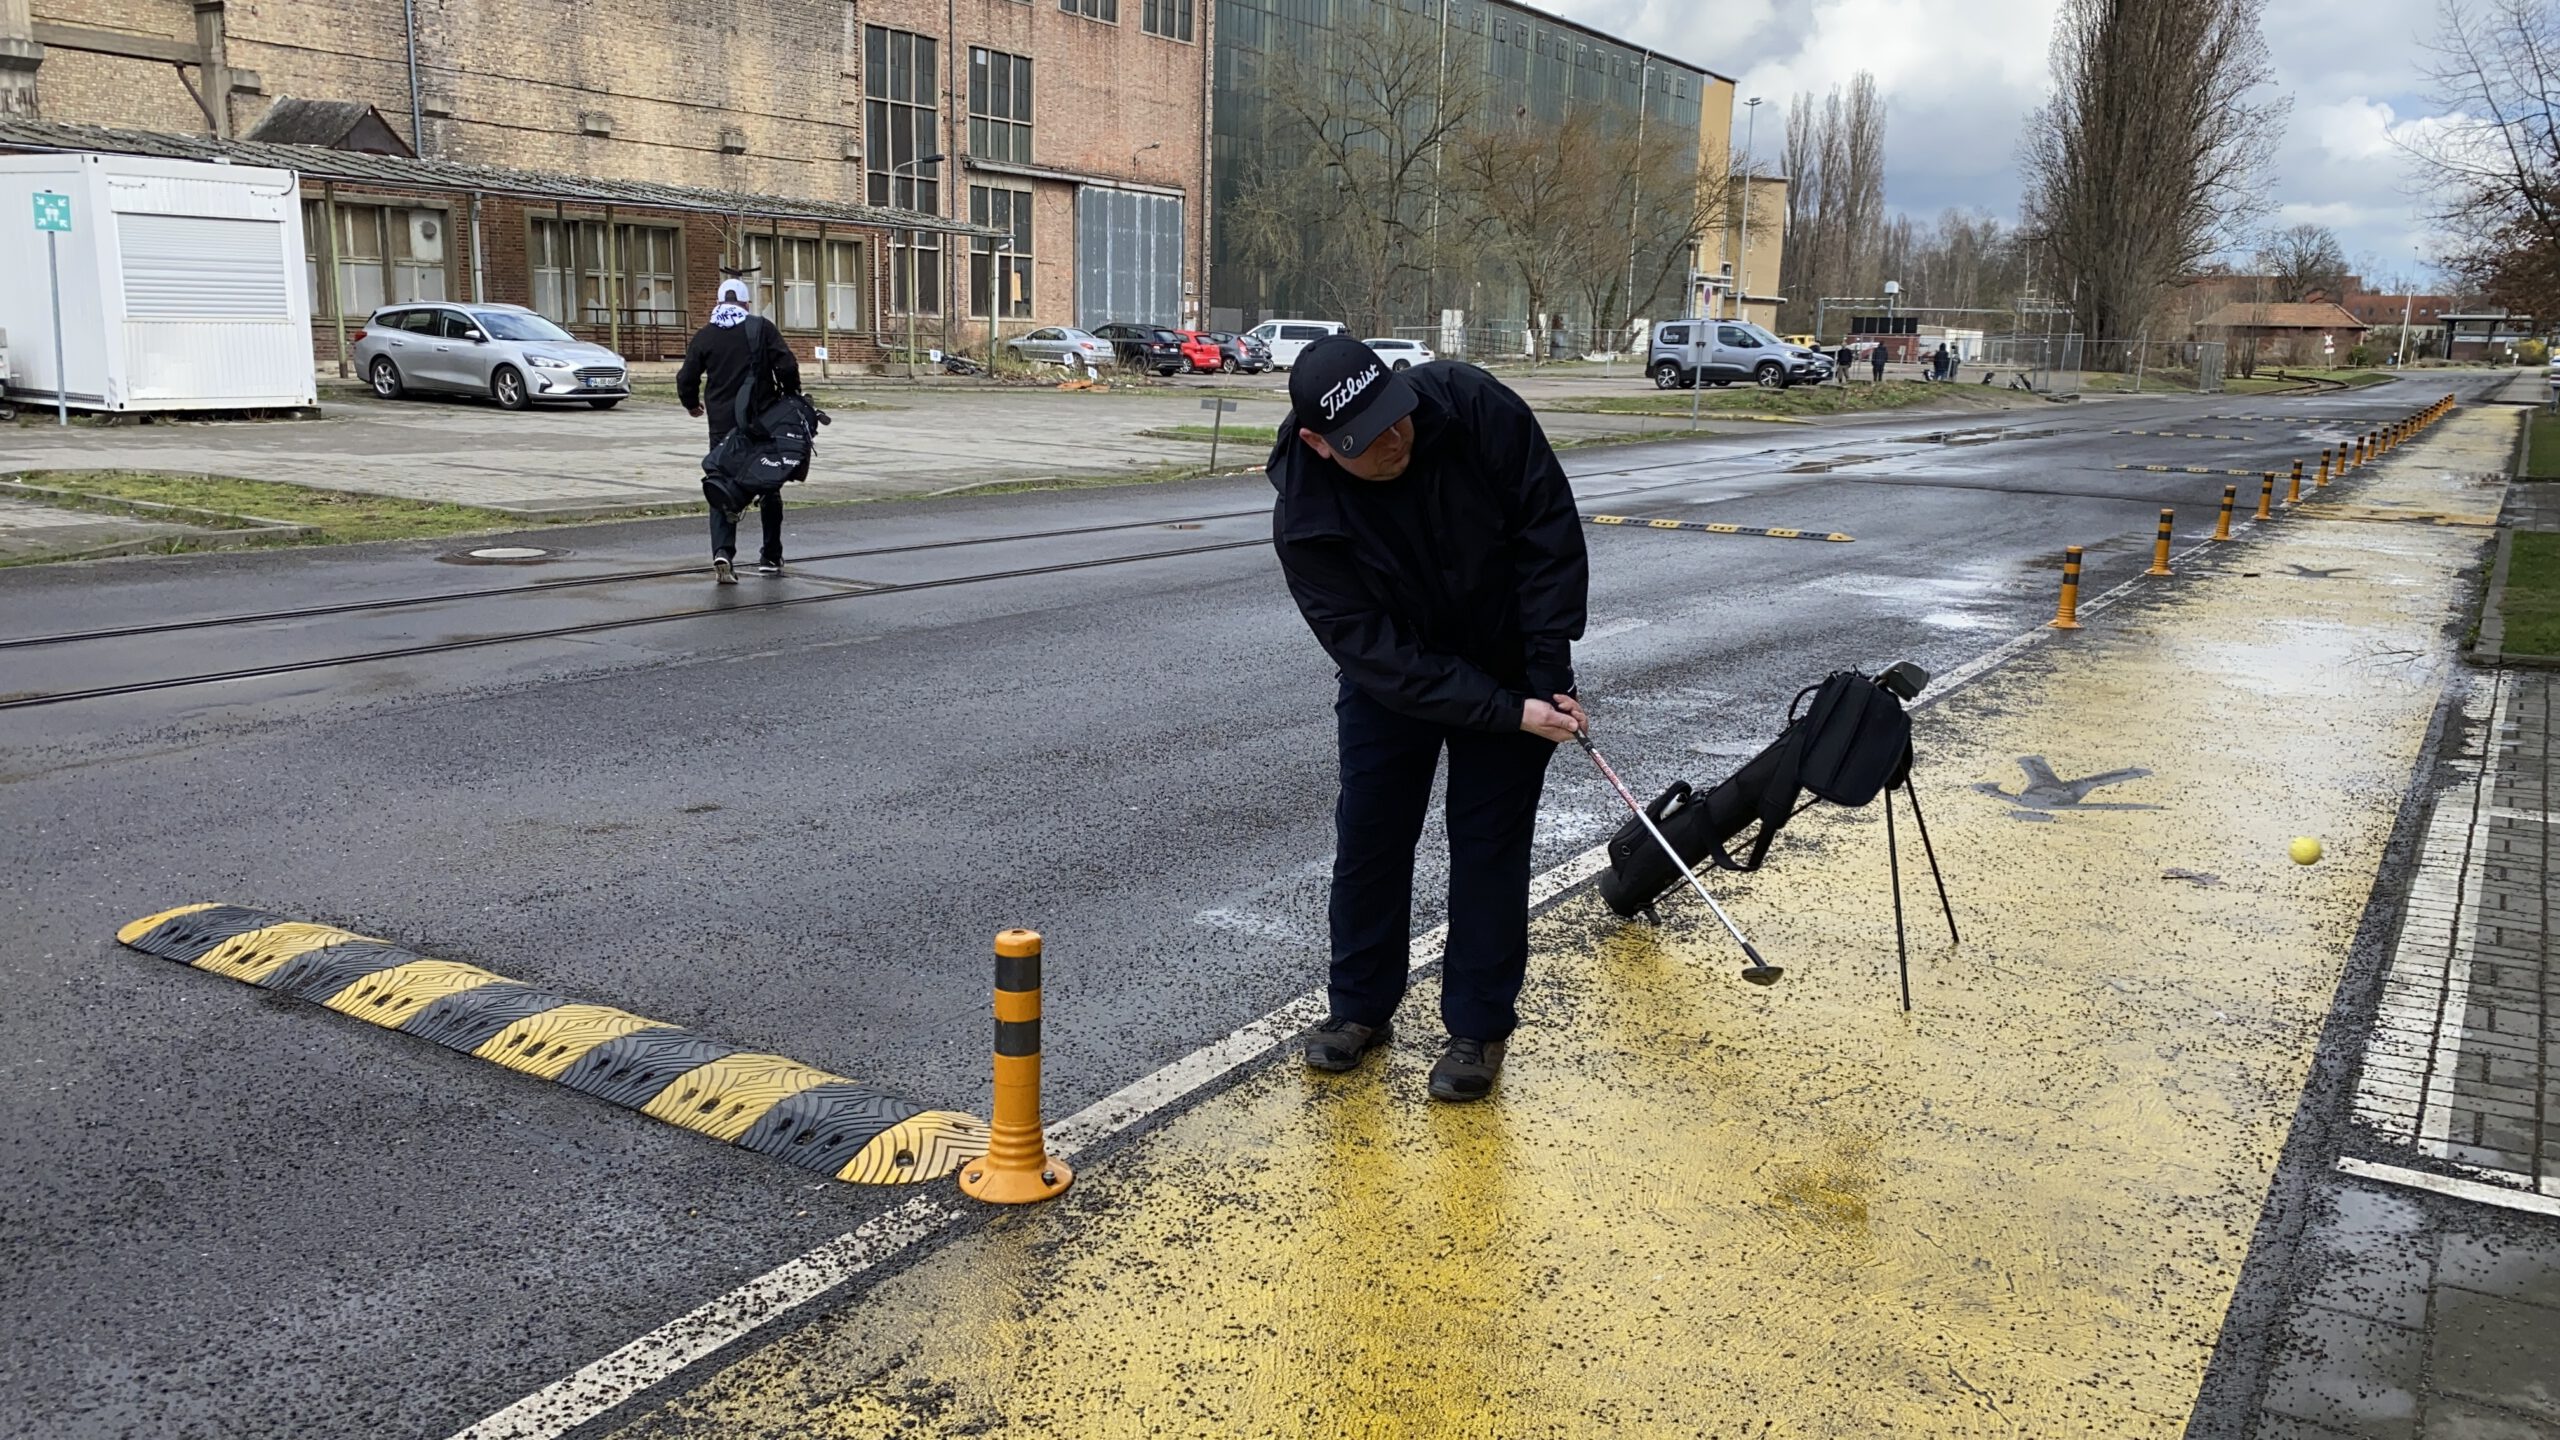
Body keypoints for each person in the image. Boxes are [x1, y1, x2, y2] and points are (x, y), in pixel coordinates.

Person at [1267, 336, 1589, 1103]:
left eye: (1395, 416)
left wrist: (1546, 680)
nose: (1392, 441)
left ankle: (1477, 1027)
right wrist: (1504, 711)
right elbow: (1379, 656)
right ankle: (1359, 1008)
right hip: (1394, 683)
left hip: (1509, 658)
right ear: (1318, 443)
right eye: (1365, 439)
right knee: (1372, 839)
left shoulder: (1474, 406)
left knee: (1489, 846)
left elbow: (1548, 533)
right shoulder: (1305, 519)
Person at [677, 278, 801, 583]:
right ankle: (770, 555)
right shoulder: (761, 328)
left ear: (718, 303)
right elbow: (787, 366)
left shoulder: (705, 335)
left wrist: (691, 404)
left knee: (720, 484)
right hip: (760, 423)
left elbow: (686, 377)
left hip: (722, 429)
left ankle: (723, 552)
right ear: (746, 304)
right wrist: (790, 395)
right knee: (769, 484)